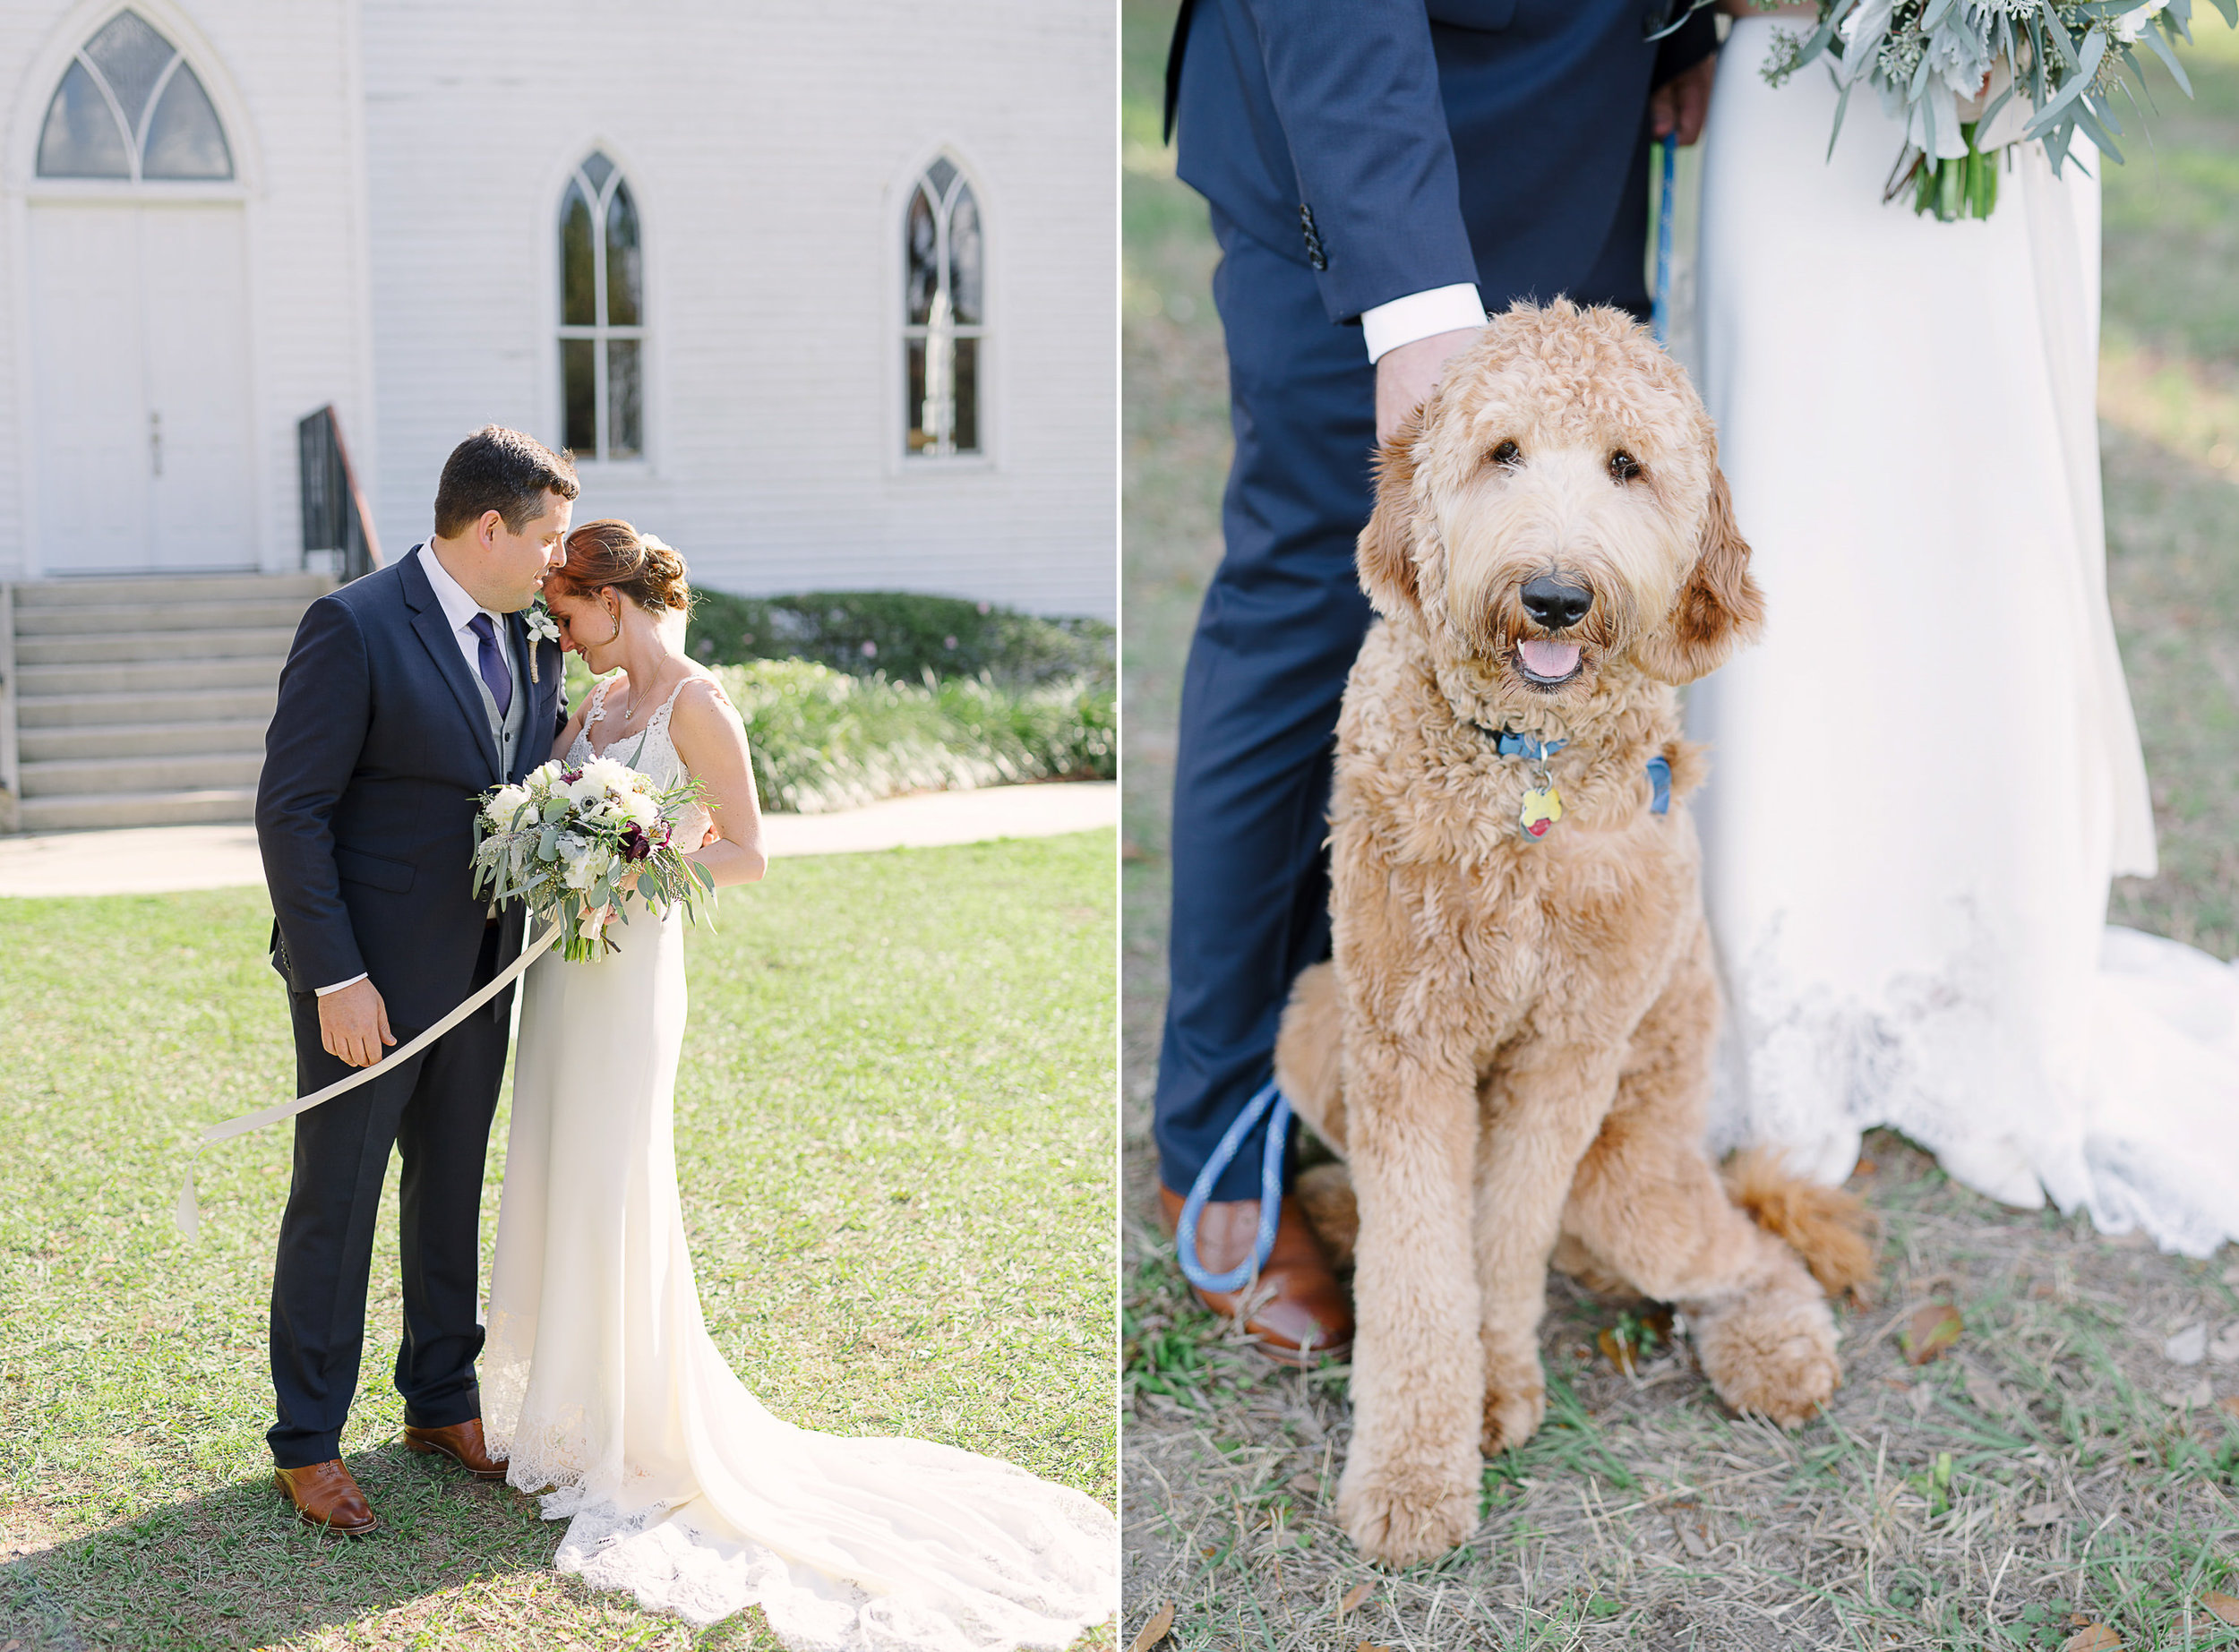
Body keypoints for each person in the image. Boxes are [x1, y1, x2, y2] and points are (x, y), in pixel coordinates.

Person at [1154, 0, 1721, 1359]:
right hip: (1362, 133)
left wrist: (1678, 22)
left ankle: (1455, 1082)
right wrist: (1408, 300)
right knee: (1315, 583)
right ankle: (1222, 1130)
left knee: (1556, 640)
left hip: (1574, 114)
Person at [482, 521, 1119, 1647]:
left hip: (629, 979)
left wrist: (631, 866)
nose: (564, 640)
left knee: (615, 1176)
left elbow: (748, 851)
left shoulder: (693, 707)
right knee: (552, 1164)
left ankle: (637, 1415)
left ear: (614, 604)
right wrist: (553, 849)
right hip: (565, 979)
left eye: (571, 617)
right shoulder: (592, 712)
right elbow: (557, 810)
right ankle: (566, 1405)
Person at [1687, 4, 2239, 1254]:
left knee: (1983, 513)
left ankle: (1988, 995)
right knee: (1795, 491)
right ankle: (1785, 1002)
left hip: (2016, 124)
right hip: (1793, 84)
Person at [255, 426, 577, 1535]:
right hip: (367, 990)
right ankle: (307, 1439)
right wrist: (334, 976)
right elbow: (291, 813)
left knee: (449, 1196)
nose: (556, 558)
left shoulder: (536, 644)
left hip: (485, 976)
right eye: (547, 536)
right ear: (489, 527)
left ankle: (440, 1400)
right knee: (335, 1207)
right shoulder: (350, 626)